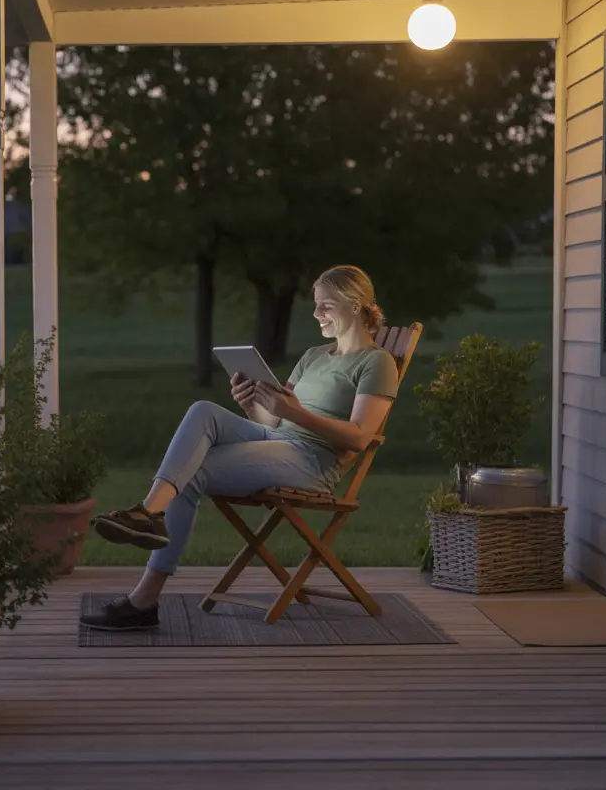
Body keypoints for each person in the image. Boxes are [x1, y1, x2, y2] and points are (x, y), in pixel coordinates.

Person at [80, 265, 399, 632]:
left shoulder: (377, 362)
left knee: (191, 472)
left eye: (325, 306)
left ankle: (143, 599)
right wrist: (252, 404)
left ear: (355, 305)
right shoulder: (314, 356)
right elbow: (274, 423)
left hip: (312, 462)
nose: (316, 315)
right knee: (204, 411)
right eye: (315, 306)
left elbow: (359, 436)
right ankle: (148, 513)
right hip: (279, 443)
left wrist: (293, 412)